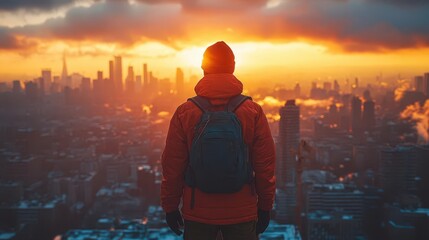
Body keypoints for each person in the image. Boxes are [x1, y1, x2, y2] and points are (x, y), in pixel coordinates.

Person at [161, 41, 276, 240]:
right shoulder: (252, 111)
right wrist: (265, 206)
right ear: (232, 68)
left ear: (204, 69)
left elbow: (172, 166)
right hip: (242, 211)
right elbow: (265, 166)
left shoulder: (185, 112)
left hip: (198, 212)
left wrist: (170, 207)